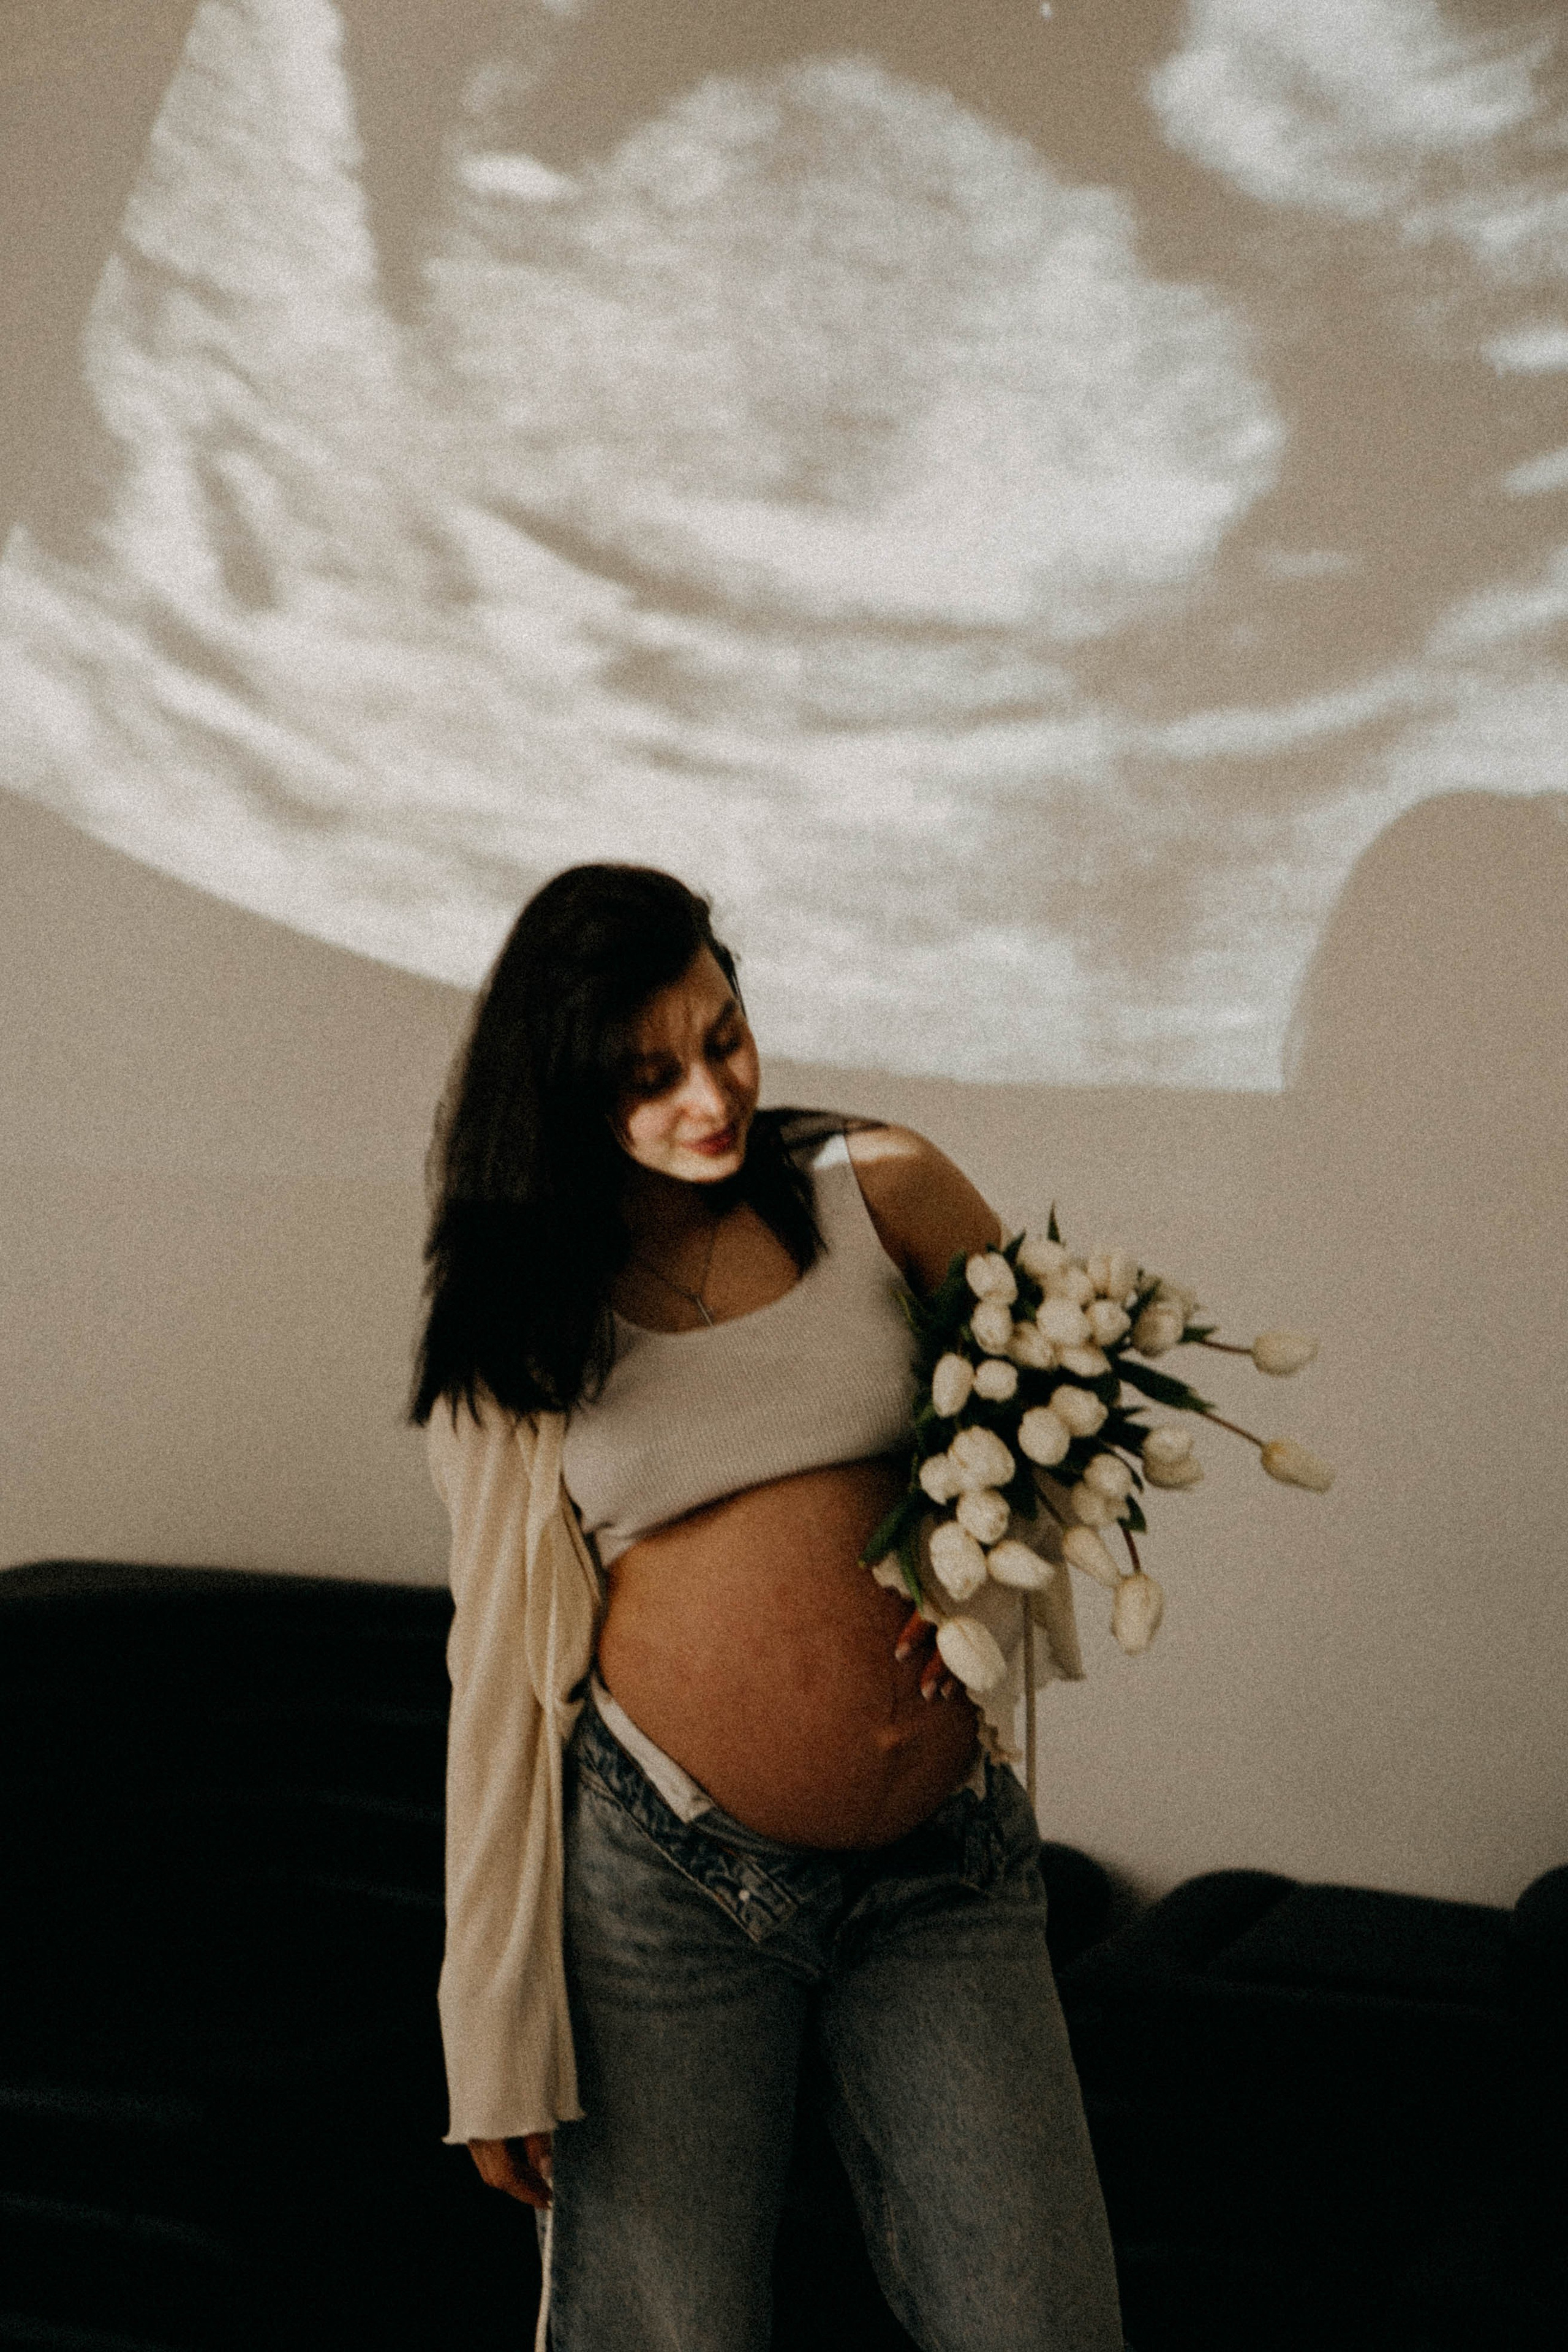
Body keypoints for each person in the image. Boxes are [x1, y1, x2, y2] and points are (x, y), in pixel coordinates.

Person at [410, 863, 1125, 2352]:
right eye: (648, 1074)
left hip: (942, 1871)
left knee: (1039, 2319)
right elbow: (492, 1674)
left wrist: (971, 1565)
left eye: (722, 1035)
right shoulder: (520, 1311)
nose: (708, 1096)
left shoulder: (880, 1192)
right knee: (664, 2329)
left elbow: (1065, 1422)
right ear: (559, 1090)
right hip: (662, 1882)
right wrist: (490, 2037)